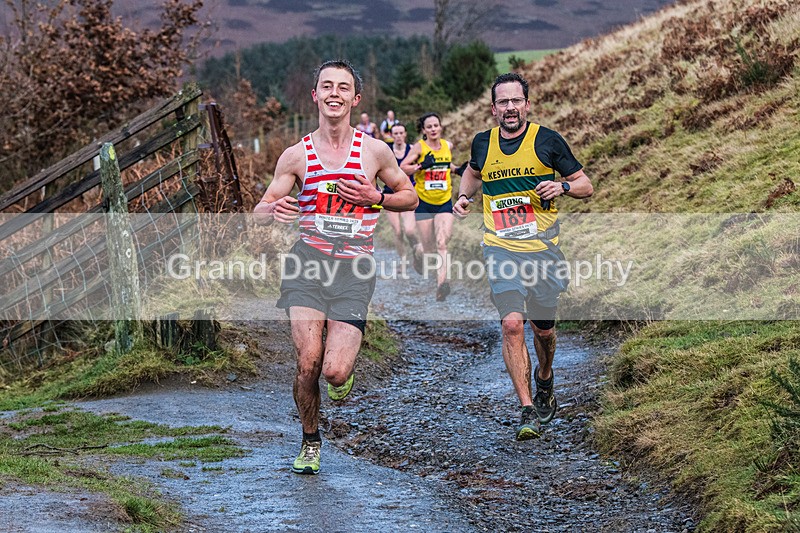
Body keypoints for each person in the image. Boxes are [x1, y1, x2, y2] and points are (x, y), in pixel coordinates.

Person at [254, 60, 418, 474]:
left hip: (354, 268)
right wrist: (275, 210)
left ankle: (341, 376)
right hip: (307, 264)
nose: (334, 93)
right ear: (315, 95)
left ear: (355, 99)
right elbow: (259, 209)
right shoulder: (296, 156)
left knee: (333, 369)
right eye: (326, 86)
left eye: (343, 87)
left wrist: (375, 198)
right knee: (307, 361)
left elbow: (410, 197)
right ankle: (310, 441)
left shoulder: (374, 152)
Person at [453, 73, 593, 441]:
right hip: (500, 248)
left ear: (527, 105)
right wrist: (464, 197)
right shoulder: (483, 143)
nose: (510, 108)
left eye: (516, 101)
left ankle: (544, 378)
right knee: (512, 325)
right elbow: (472, 172)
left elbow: (585, 185)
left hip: (543, 251)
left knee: (543, 331)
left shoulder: (547, 140)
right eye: (503, 102)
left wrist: (562, 185)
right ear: (494, 108)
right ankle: (527, 408)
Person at [400, 112, 464, 301]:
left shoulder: (447, 145)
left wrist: (457, 169)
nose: (433, 129)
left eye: (436, 125)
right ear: (424, 130)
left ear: (440, 127)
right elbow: (403, 167)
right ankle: (417, 253)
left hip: (444, 202)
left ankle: (441, 285)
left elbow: (445, 164)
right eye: (429, 127)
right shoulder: (419, 147)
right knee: (428, 250)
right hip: (424, 203)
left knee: (442, 243)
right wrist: (420, 166)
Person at [381, 122, 418, 258]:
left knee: (409, 230)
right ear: (391, 135)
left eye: (401, 133)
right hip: (390, 194)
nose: (399, 136)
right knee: (397, 231)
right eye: (395, 133)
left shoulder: (413, 149)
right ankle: (402, 260)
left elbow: (421, 167)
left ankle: (416, 249)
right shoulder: (386, 151)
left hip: (408, 193)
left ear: (405, 134)